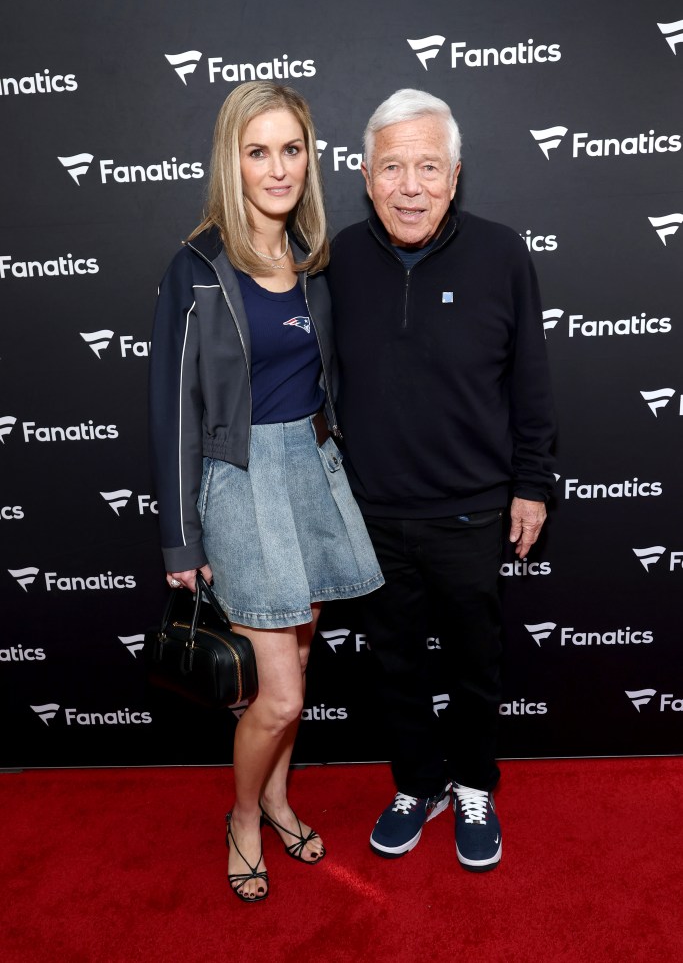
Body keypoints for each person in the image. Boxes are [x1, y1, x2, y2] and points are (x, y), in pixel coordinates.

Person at [148, 82, 384, 903]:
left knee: (304, 658)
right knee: (277, 694)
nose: (278, 168)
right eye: (258, 151)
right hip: (239, 483)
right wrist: (182, 540)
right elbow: (172, 405)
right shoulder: (199, 268)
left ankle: (281, 796)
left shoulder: (315, 257)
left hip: (311, 475)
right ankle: (245, 814)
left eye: (292, 149)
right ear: (232, 161)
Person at [327, 88, 555, 872]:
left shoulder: (501, 253)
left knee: (472, 664)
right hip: (370, 515)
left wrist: (532, 483)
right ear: (365, 175)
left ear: (455, 175)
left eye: (428, 166)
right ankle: (415, 784)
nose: (410, 185)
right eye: (393, 167)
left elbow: (530, 379)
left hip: (469, 512)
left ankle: (473, 786)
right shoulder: (337, 260)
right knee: (393, 664)